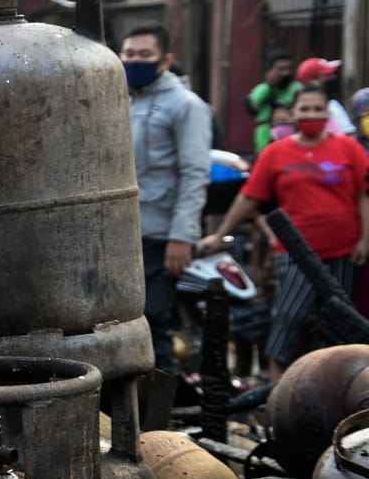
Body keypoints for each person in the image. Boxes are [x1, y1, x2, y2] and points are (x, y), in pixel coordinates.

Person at [200, 83, 369, 380]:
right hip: (293, 254)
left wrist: (365, 239)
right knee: (290, 318)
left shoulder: (349, 148)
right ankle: (279, 392)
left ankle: (334, 390)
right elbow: (249, 197)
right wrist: (219, 234)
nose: (311, 115)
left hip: (343, 251)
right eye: (305, 109)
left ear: (327, 114)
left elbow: (363, 196)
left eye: (318, 109)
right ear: (294, 113)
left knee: (339, 323)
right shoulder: (276, 153)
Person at [122, 25, 213, 375]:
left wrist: (182, 236)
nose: (135, 61)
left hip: (163, 235)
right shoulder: (122, 100)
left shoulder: (186, 106)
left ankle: (165, 403)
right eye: (130, 54)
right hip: (126, 234)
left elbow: (194, 174)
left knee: (154, 321)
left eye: (145, 55)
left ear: (165, 60)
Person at [246, 51, 301, 156]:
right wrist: (269, 86)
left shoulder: (297, 88)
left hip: (290, 144)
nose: (286, 73)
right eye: (280, 69)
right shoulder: (262, 89)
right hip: (264, 144)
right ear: (270, 70)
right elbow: (251, 106)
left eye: (289, 68)